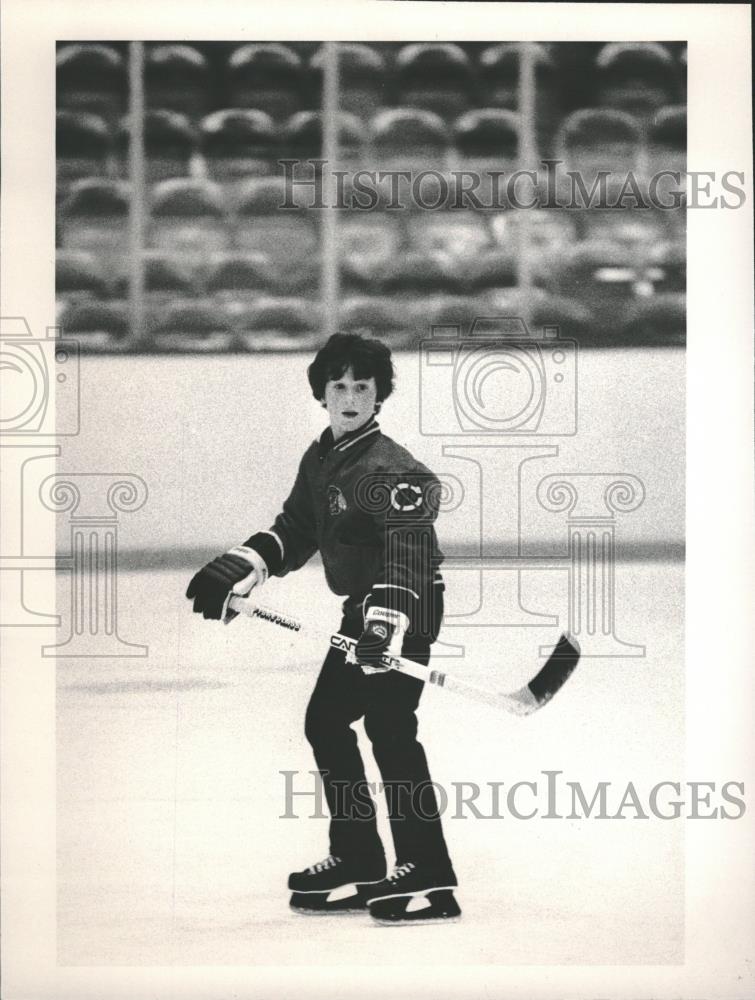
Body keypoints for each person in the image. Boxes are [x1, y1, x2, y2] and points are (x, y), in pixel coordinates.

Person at [186, 333, 459, 924]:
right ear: (322, 393)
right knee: (327, 721)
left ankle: (428, 869)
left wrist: (387, 622)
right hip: (362, 609)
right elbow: (298, 527)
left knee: (390, 729)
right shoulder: (322, 457)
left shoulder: (396, 469)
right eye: (340, 385)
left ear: (380, 394)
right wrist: (249, 564)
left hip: (406, 606)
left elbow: (407, 554)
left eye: (363, 385)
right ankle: (359, 856)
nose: (351, 395)